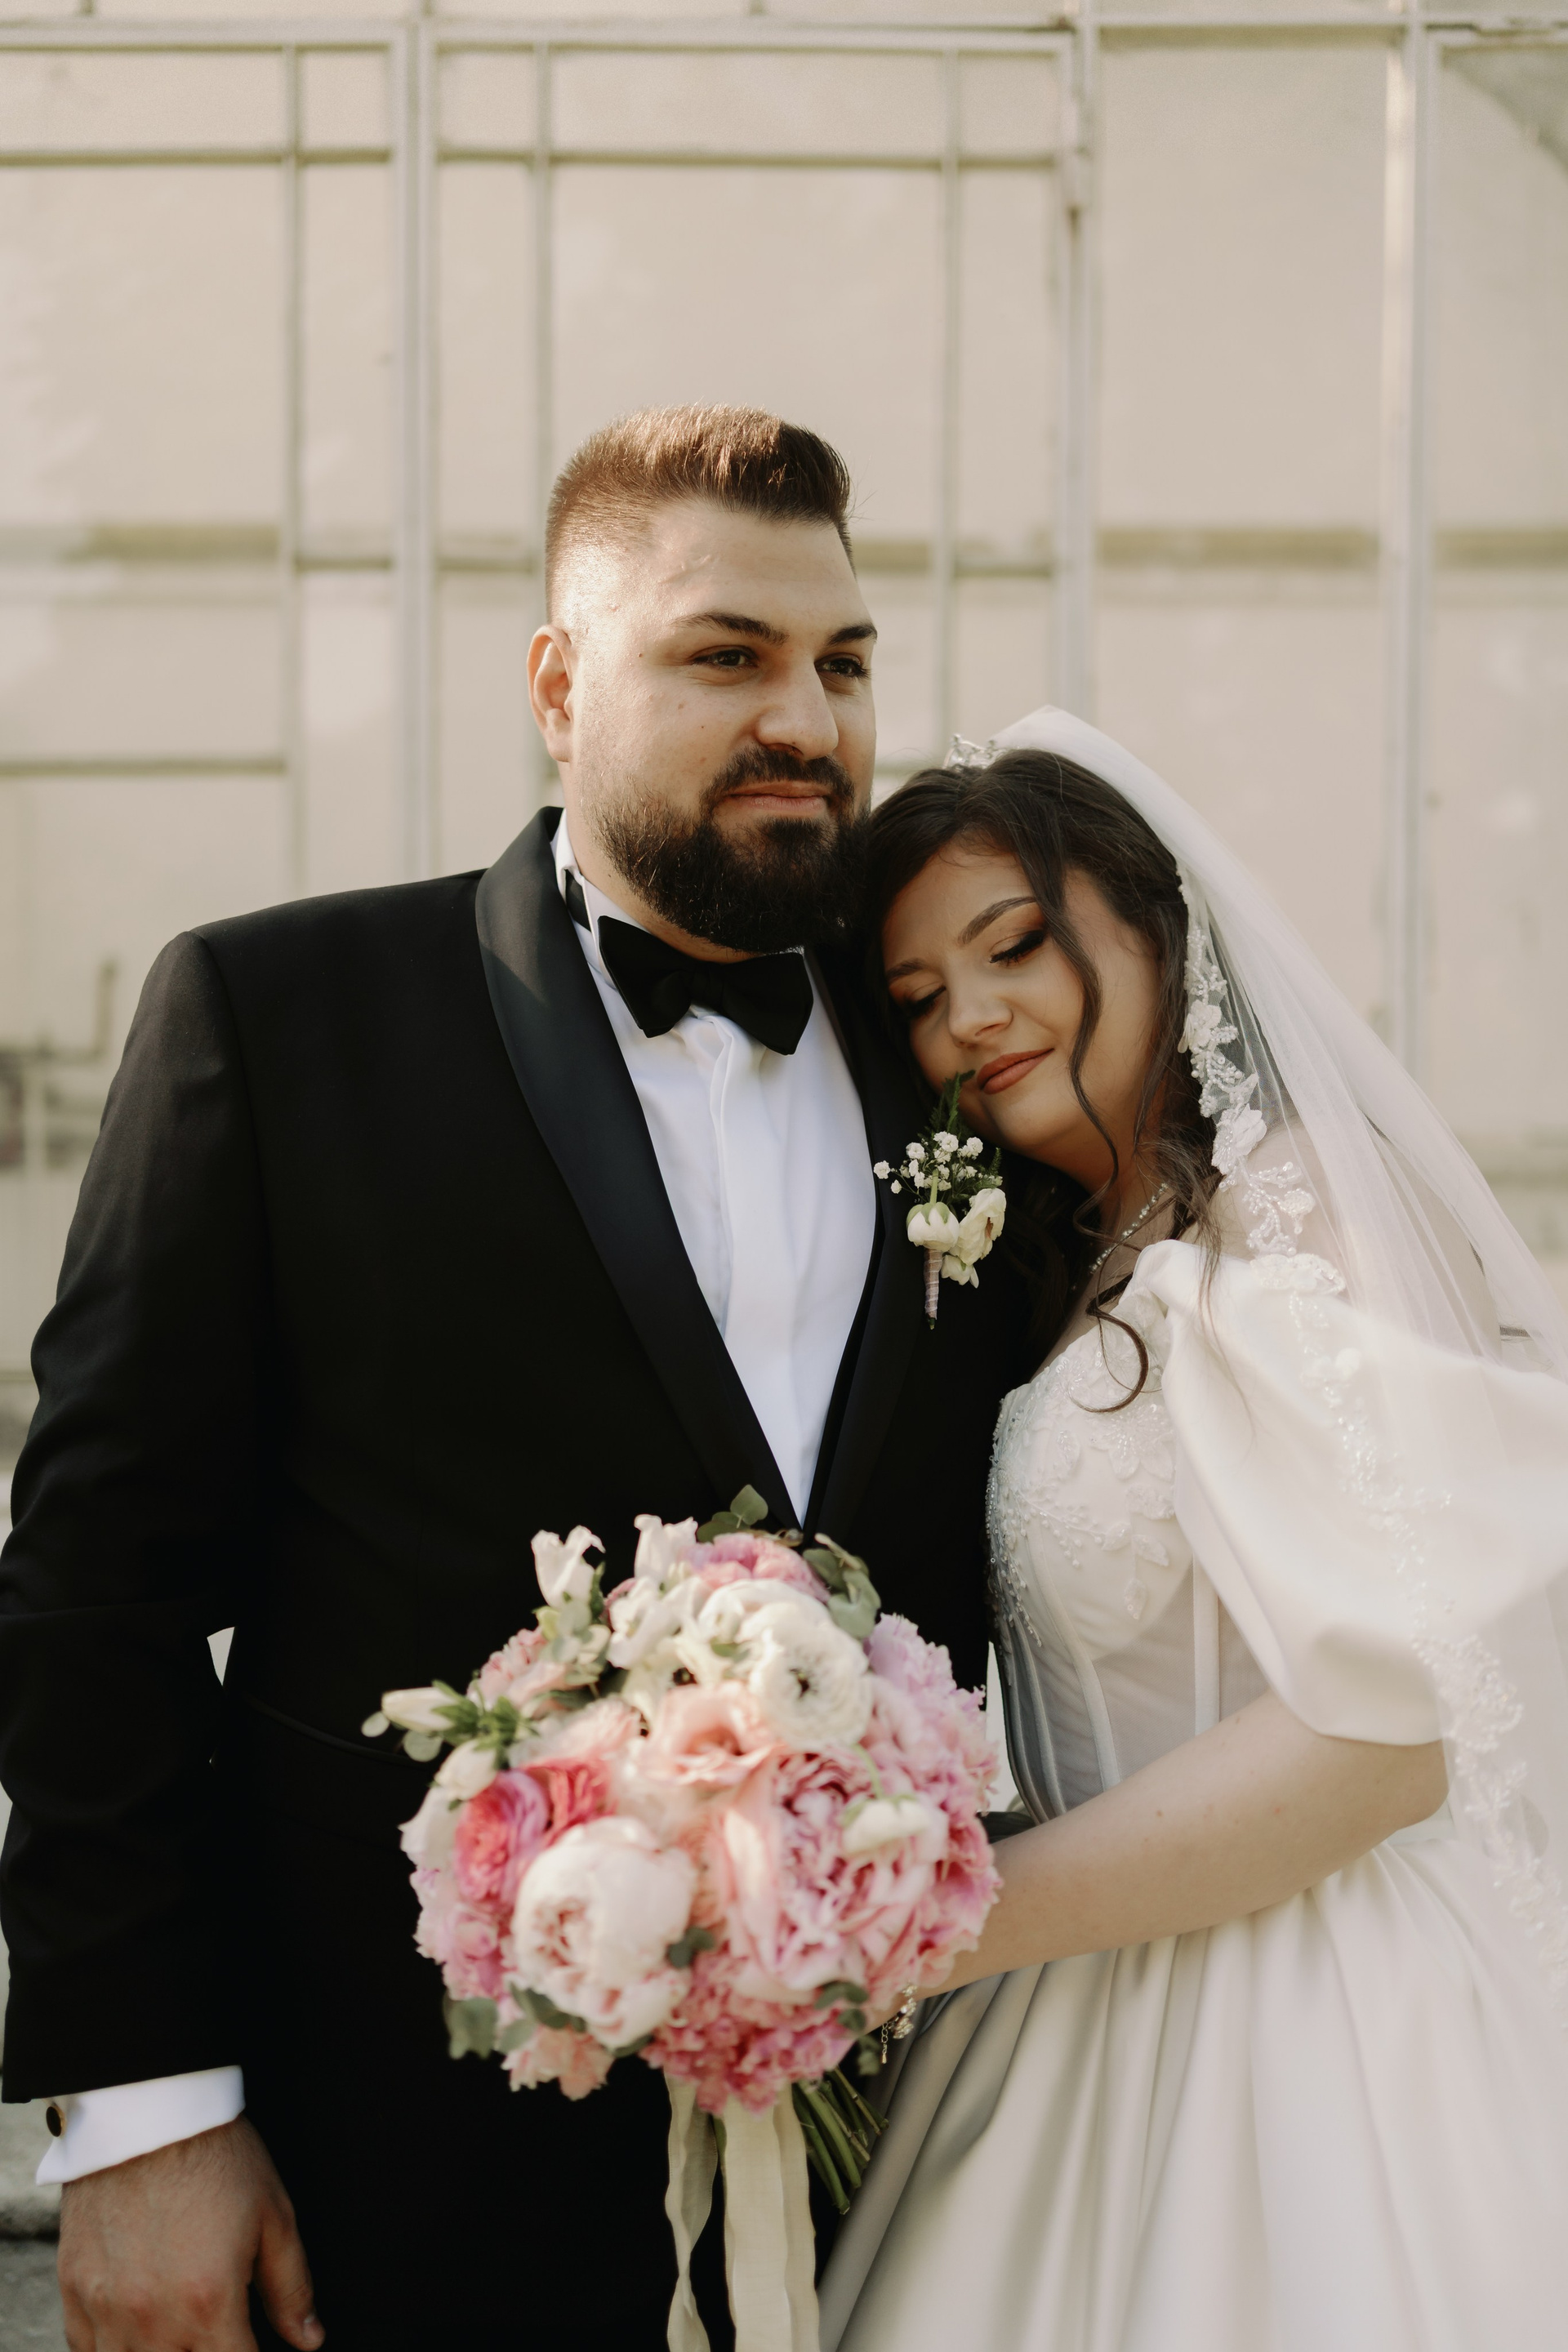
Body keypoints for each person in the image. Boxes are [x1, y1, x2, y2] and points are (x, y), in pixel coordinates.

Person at [0, 407, 1024, 2352]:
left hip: (933, 2155)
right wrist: (144, 2113)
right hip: (403, 2163)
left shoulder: (962, 1045)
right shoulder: (276, 1019)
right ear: (560, 686)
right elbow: (95, 1592)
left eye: (845, 662)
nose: (805, 716)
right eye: (726, 654)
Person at [822, 706, 1568, 2352]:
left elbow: (1390, 1735)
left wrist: (934, 1924)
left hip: (1323, 2023)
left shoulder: (1302, 1211)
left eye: (1015, 944)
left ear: (1159, 931)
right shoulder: (1070, 1269)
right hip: (1074, 2003)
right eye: (919, 997)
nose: (970, 1018)